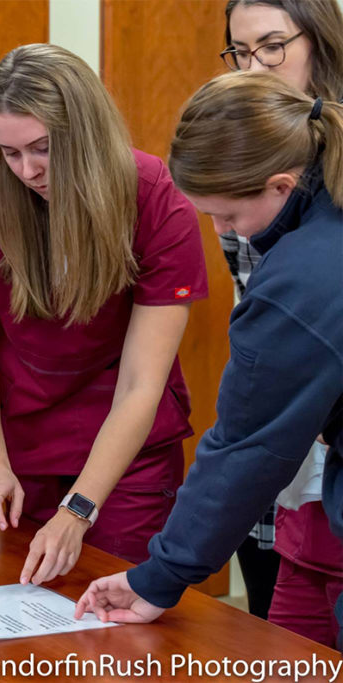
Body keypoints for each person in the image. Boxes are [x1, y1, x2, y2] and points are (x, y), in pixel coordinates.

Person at [75, 72, 343, 651]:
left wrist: (161, 576)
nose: (222, 232)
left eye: (228, 216)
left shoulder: (300, 282)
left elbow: (246, 448)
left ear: (281, 185)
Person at [0, 43, 207, 584]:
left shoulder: (154, 198)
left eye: (43, 149)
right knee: (20, 607)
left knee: (115, 611)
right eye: (10, 153)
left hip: (126, 456)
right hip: (23, 442)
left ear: (86, 133)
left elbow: (141, 383)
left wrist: (79, 509)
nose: (27, 171)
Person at [218, 0, 343, 627]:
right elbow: (254, 307)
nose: (254, 68)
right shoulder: (240, 153)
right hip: (283, 458)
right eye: (240, 52)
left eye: (272, 46)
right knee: (277, 631)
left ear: (321, 41)